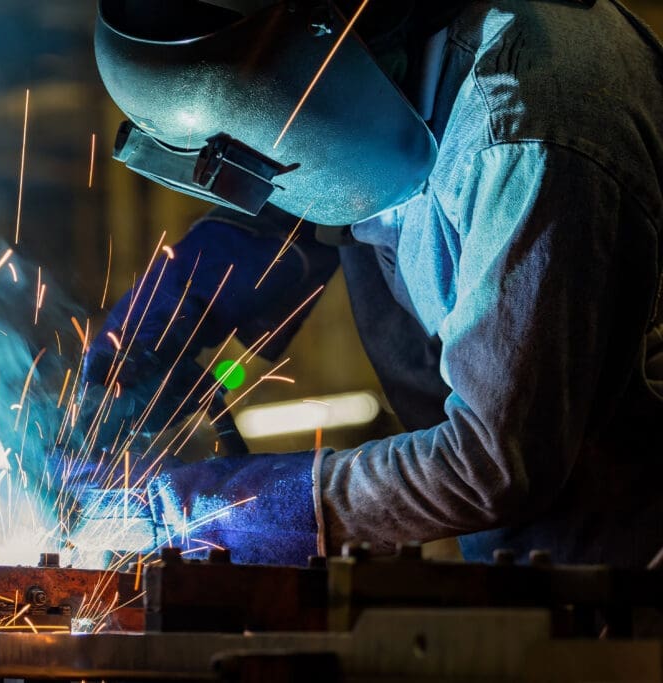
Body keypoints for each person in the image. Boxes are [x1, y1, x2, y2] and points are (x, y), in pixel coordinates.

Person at [80, 0, 663, 567]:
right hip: (528, 560)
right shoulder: (374, 59)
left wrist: (218, 507)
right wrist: (173, 308)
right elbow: (299, 189)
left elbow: (493, 463)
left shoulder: (527, 138)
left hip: (629, 576)